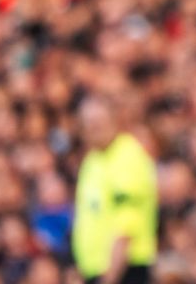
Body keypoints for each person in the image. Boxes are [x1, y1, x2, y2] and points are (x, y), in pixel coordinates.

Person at [73, 95, 159, 284]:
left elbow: (127, 223)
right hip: (95, 269)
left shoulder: (127, 156)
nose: (94, 129)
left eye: (98, 123)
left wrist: (110, 276)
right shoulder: (92, 161)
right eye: (88, 124)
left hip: (124, 270)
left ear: (114, 120)